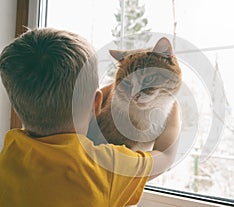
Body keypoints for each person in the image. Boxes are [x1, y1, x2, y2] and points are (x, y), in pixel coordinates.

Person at [0, 28, 180, 207]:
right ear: (96, 103)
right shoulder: (106, 166)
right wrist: (173, 109)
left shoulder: (10, 152)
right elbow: (165, 155)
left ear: (16, 106)